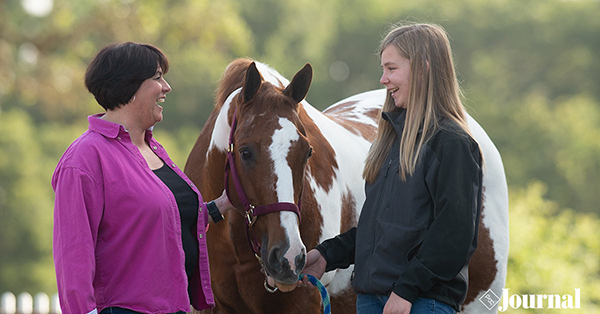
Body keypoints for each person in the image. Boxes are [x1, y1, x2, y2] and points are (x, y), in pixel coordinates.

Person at [299, 23, 483, 314]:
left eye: (391, 68)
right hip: (374, 299)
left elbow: (453, 237)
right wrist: (327, 254)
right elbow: (380, 230)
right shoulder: (392, 143)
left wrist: (406, 291)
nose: (383, 79)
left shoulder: (452, 144)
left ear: (422, 70)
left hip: (420, 303)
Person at [52, 42, 234, 314]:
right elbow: (73, 258)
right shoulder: (84, 159)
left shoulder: (154, 149)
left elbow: (157, 222)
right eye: (158, 77)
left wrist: (223, 204)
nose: (167, 87)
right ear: (130, 86)